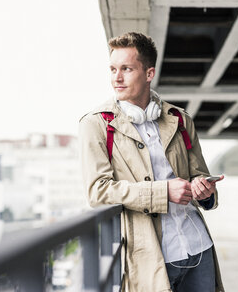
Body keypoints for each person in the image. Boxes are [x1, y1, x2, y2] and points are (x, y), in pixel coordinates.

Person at [79, 32, 225, 292]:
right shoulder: (96, 124)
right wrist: (163, 191)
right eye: (113, 69)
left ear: (149, 73)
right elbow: (97, 191)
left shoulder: (179, 119)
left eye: (126, 68)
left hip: (198, 245)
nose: (117, 77)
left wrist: (204, 190)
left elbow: (198, 177)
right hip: (150, 257)